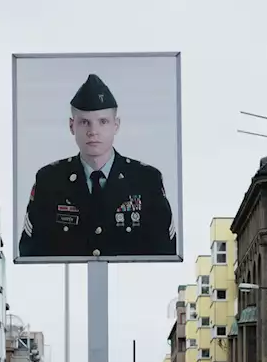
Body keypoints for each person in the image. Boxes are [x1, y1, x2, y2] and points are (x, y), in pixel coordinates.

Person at [19, 73, 177, 259]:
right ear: (72, 126)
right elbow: (31, 251)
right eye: (85, 122)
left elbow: (165, 251)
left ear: (116, 125)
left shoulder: (146, 180)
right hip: (69, 284)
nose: (93, 132)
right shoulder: (50, 180)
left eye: (103, 122)